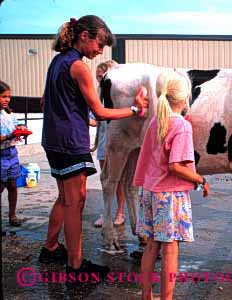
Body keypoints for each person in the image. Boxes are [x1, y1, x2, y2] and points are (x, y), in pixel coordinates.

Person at [37, 15, 148, 280]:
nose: (101, 50)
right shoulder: (78, 66)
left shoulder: (57, 62)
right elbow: (99, 112)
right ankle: (76, 265)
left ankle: (51, 247)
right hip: (70, 142)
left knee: (65, 198)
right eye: (99, 43)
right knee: (76, 203)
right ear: (84, 36)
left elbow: (44, 101)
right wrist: (134, 109)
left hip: (52, 140)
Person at [133, 71, 209, 300]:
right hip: (169, 196)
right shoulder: (182, 127)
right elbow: (176, 166)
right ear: (185, 99)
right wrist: (201, 179)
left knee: (151, 246)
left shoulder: (156, 121)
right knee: (170, 248)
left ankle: (147, 295)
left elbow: (146, 158)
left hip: (149, 191)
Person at [91, 60, 126, 227]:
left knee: (119, 180)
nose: (99, 80)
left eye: (101, 77)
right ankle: (106, 213)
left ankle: (120, 213)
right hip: (104, 142)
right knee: (106, 179)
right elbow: (93, 118)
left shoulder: (120, 95)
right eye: (98, 77)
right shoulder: (99, 94)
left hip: (119, 142)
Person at [0, 80, 28, 227]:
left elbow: (17, 127)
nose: (7, 100)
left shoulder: (9, 114)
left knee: (12, 185)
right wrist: (10, 136)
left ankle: (12, 215)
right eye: (3, 96)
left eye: (8, 97)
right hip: (1, 155)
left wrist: (23, 130)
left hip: (12, 154)